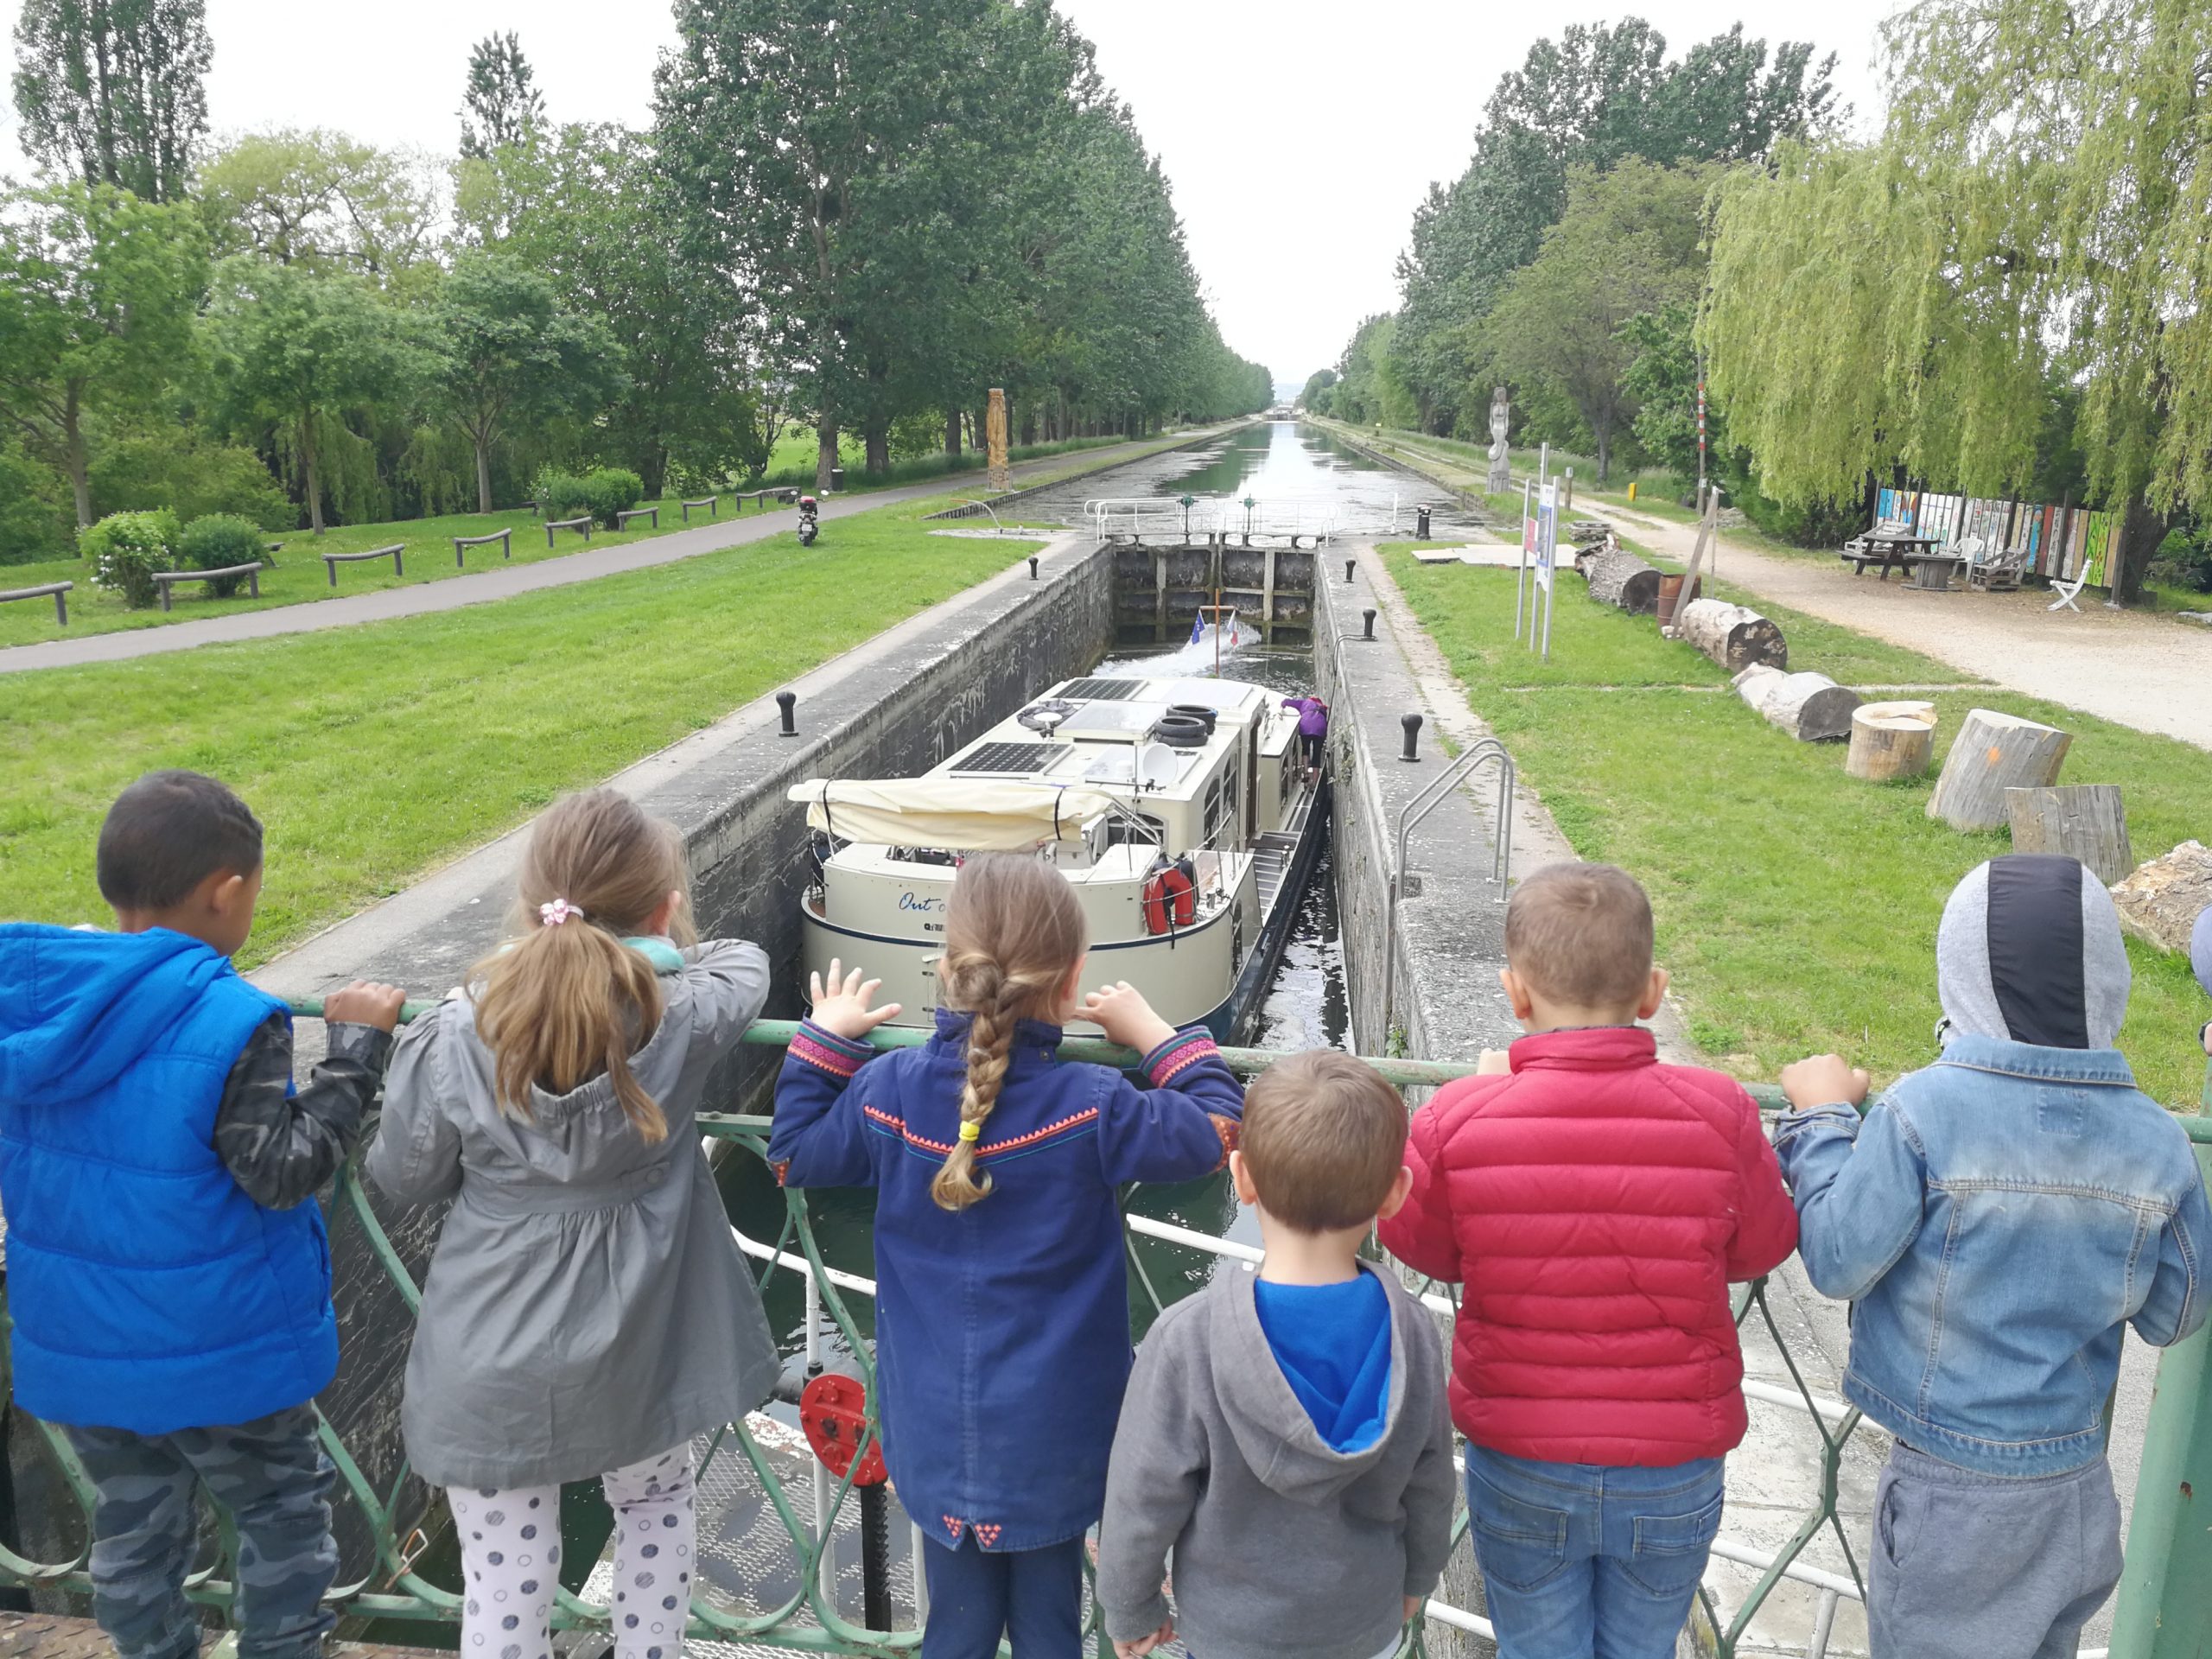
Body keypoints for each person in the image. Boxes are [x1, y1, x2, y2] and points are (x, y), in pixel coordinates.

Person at [769, 852, 1244, 1659]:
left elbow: (793, 1156)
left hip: (929, 1433)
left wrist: (820, 1040)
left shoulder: (889, 1090)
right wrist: (1154, 1034)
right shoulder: (1092, 1106)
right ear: (1072, 979)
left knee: (953, 1631)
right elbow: (1217, 1130)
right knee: (1051, 1628)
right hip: (1060, 1439)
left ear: (949, 971)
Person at [0, 769, 404, 1659]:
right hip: (223, 1346)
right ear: (227, 892)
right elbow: (279, 1170)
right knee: (280, 1522)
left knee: (133, 1533)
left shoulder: (35, 1007)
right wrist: (355, 1059)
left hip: (86, 1345)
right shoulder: (231, 1018)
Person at [367, 788, 779, 1659]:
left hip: (492, 1346)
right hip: (645, 1335)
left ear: (528, 909)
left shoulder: (453, 1031)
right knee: (657, 1508)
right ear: (662, 909)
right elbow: (743, 960)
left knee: (503, 1572)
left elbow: (404, 1176)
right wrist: (649, 951)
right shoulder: (683, 1013)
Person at [1776, 855, 2212, 1659]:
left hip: (1955, 1496)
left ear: (1960, 975)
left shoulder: (1923, 1111)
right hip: (2078, 1494)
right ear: (2110, 979)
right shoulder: (2157, 1138)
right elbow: (2176, 1310)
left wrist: (1823, 1120)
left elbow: (1837, 1258)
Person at [1378, 861, 1797, 1659]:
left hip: (1524, 1455)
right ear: (1653, 991)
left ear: (1516, 994)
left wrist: (1478, 1100)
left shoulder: (1459, 1118)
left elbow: (1422, 1243)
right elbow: (1764, 1245)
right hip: (1673, 1464)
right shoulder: (1720, 1109)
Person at [1096, 1050, 1455, 1659]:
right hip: (1363, 1623)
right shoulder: (1413, 1332)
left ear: (1241, 1178)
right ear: (1395, 1193)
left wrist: (1131, 1608)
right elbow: (1431, 1483)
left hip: (1227, 1634)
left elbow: (1141, 1496)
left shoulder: (1188, 1338)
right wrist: (1417, 1581)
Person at [1282, 695, 1328, 780]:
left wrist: (1282, 705)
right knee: (1316, 755)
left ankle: (1306, 773)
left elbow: (1288, 701)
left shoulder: (1303, 702)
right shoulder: (1322, 708)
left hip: (1306, 725)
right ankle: (1314, 783)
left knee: (1305, 749)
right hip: (1320, 727)